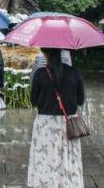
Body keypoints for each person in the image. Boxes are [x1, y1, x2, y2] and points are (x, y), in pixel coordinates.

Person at [27, 48, 85, 187]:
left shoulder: (40, 74)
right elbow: (80, 101)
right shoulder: (74, 73)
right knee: (68, 158)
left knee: (45, 158)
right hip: (68, 124)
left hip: (45, 125)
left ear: (45, 53)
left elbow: (33, 100)